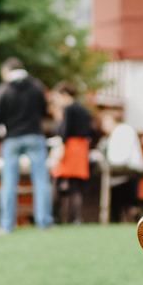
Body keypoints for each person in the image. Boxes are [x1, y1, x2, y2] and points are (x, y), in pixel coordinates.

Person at [0, 58, 52, 233]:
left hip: (12, 137)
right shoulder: (37, 87)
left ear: (7, 71)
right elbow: (44, 111)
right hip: (34, 134)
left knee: (9, 181)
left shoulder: (3, 90)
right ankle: (44, 222)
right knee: (41, 180)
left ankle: (6, 224)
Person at [52, 83, 95, 225]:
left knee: (58, 180)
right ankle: (75, 218)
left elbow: (64, 131)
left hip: (70, 147)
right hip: (82, 148)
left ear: (64, 94)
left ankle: (56, 216)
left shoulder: (68, 110)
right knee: (76, 185)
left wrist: (60, 149)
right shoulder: (84, 110)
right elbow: (92, 131)